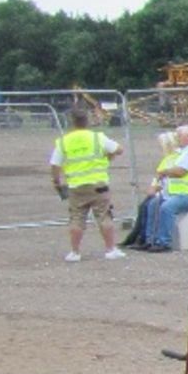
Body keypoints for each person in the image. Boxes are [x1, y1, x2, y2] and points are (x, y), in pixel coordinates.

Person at [51, 106, 126, 261]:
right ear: (88, 121)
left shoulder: (64, 142)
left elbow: (55, 164)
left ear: (72, 122)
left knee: (77, 218)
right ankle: (110, 249)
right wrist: (108, 157)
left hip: (76, 185)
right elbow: (119, 149)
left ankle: (75, 252)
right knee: (104, 216)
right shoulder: (97, 138)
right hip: (98, 184)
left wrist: (57, 182)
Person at [146, 123, 188, 250]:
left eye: (179, 136)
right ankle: (150, 239)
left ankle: (164, 242)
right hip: (180, 192)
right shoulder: (184, 152)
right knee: (153, 204)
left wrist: (164, 172)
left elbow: (181, 171)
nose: (177, 138)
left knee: (167, 207)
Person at [128, 131, 180, 250]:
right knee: (146, 206)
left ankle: (150, 238)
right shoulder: (168, 159)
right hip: (164, 190)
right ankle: (146, 237)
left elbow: (161, 178)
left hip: (168, 192)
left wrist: (154, 187)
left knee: (152, 205)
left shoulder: (174, 159)